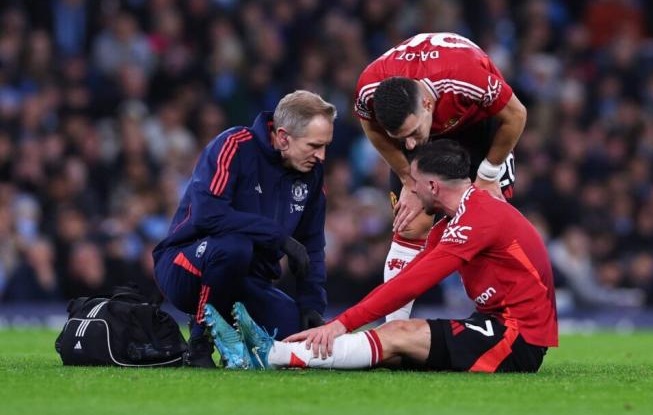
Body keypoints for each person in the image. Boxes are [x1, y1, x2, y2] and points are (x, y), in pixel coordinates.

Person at [204, 140, 558, 373]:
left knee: (399, 333)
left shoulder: (479, 219)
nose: (410, 190)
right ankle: (276, 351)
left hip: (518, 338)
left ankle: (270, 354)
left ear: (433, 187)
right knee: (392, 346)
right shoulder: (454, 220)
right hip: (498, 322)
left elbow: (413, 284)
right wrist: (346, 322)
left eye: (413, 182)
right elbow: (406, 278)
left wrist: (341, 323)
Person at [152, 90, 335, 367]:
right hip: (186, 265)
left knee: (296, 330)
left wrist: (311, 305)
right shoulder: (234, 145)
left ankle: (235, 330)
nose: (321, 156)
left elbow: (311, 245)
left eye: (325, 146)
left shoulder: (311, 174)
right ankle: (200, 341)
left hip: (248, 282)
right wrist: (278, 237)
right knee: (234, 248)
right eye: (314, 146)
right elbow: (207, 215)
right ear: (284, 137)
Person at [353, 32, 527, 321]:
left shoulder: (465, 75)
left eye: (410, 134)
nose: (409, 145)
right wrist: (408, 178)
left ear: (427, 104)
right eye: (400, 137)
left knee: (488, 225)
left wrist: (488, 173)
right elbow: (371, 128)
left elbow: (517, 115)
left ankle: (507, 321)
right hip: (432, 131)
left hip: (478, 126)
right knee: (410, 223)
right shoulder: (369, 88)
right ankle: (394, 329)